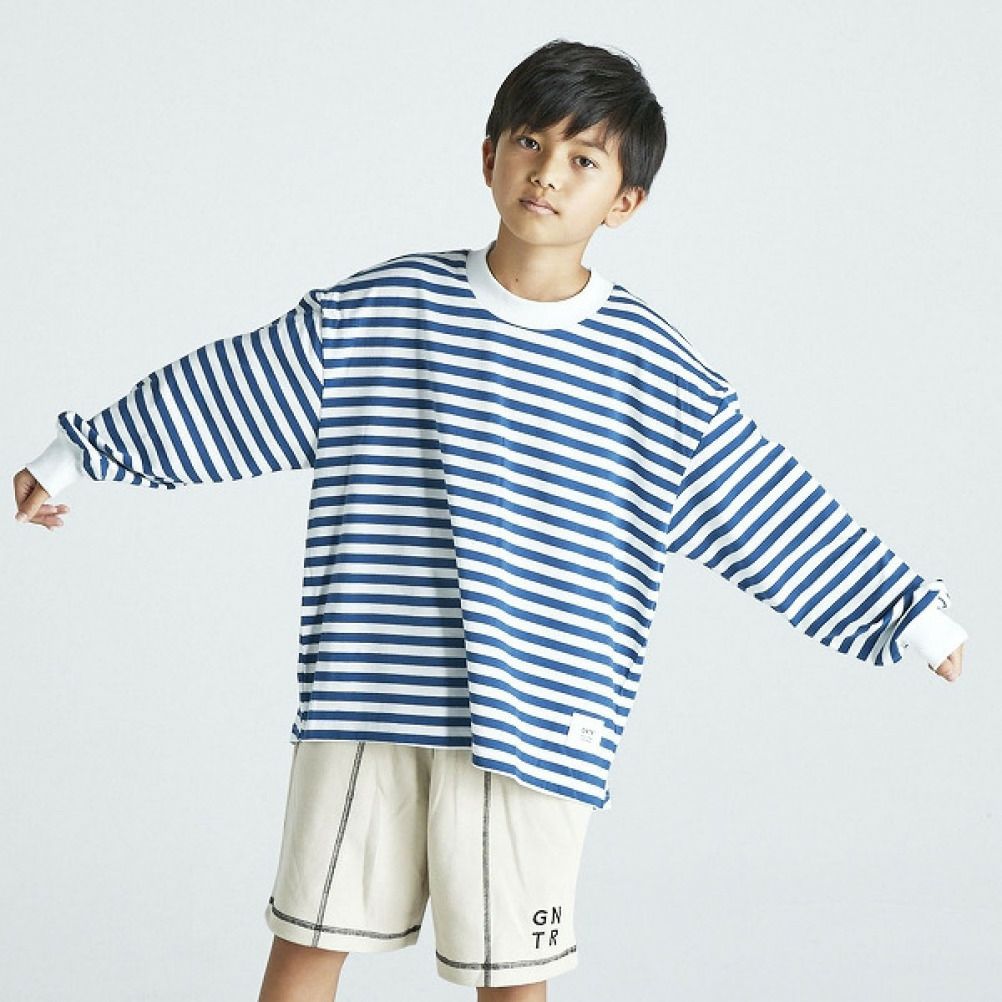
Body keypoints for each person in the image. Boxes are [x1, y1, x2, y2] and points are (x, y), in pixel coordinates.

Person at [13, 38, 968, 1002]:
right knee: (307, 944)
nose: (547, 173)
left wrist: (905, 613)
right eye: (530, 142)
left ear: (625, 202)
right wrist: (78, 456)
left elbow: (764, 503)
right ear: (489, 156)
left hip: (537, 715)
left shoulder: (650, 370)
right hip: (368, 694)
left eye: (583, 159)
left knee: (511, 978)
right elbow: (233, 386)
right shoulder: (386, 312)